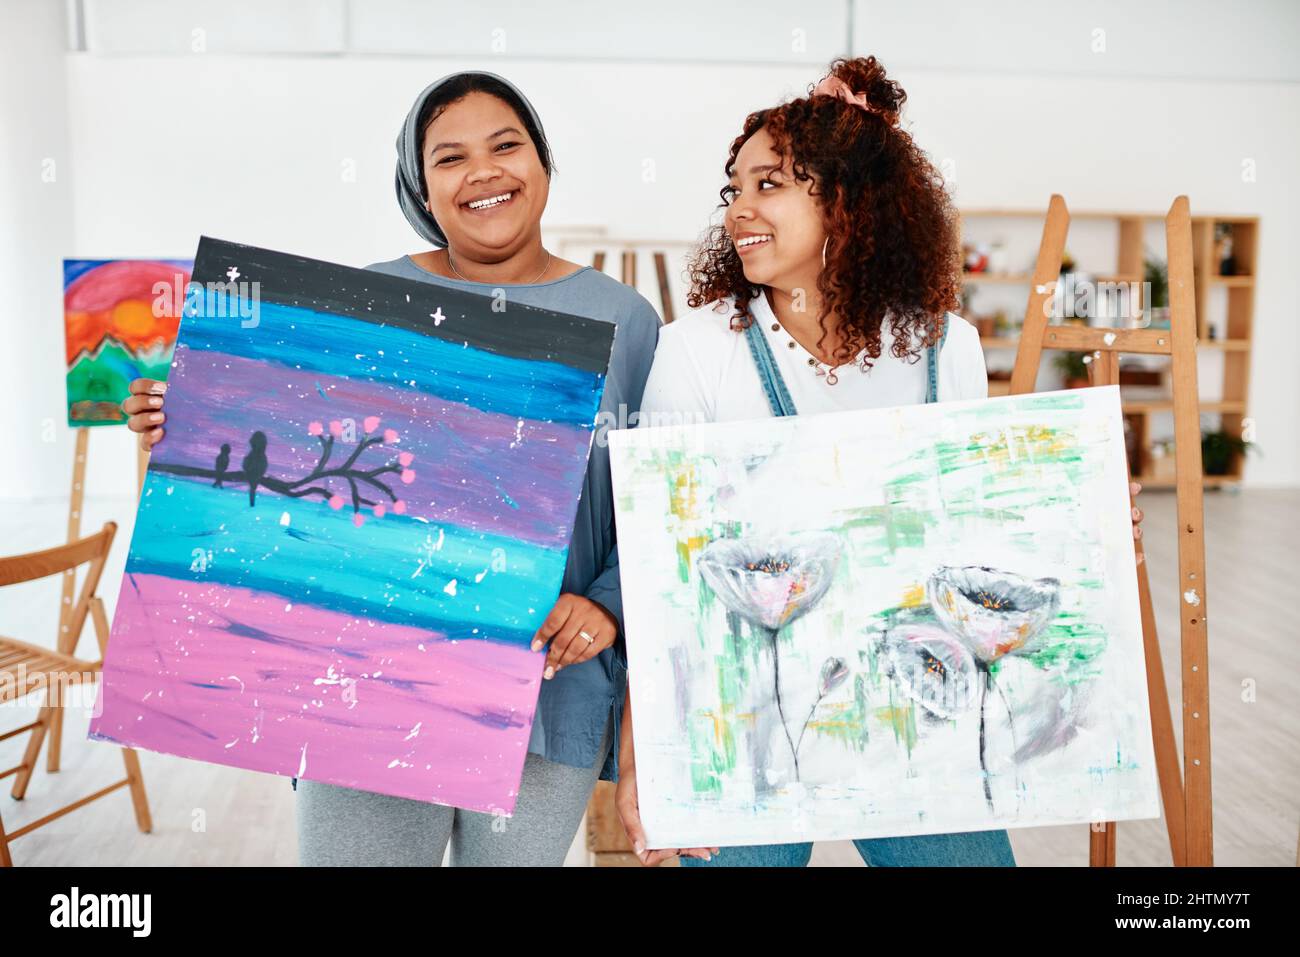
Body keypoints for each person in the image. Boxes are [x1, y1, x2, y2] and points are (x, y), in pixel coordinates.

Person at [614, 55, 1143, 867]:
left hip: (914, 710)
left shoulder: (945, 349)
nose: (737, 212)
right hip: (750, 723)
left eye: (771, 184)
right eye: (736, 188)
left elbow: (977, 533)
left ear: (849, 204)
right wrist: (643, 766)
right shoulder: (697, 353)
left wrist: (1087, 515)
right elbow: (665, 582)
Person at [123, 70, 661, 866]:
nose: (483, 171)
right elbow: (271, 500)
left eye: (506, 145)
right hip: (366, 684)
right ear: (421, 186)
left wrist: (609, 606)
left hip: (547, 685)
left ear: (543, 162)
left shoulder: (625, 319)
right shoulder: (368, 301)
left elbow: (658, 495)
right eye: (450, 157)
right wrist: (183, 433)